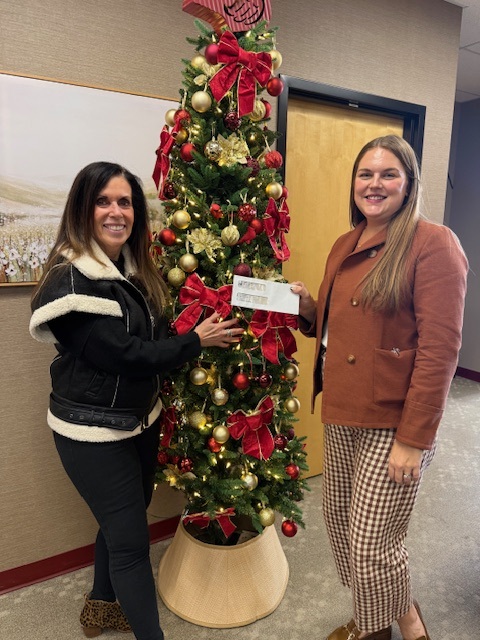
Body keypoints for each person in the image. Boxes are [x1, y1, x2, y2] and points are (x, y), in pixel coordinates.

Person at [29, 161, 243, 640]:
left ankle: (101, 607)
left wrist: (198, 321)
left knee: (119, 521)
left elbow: (152, 335)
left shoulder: (131, 269)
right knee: (130, 544)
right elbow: (124, 355)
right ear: (82, 209)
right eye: (103, 201)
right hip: (92, 431)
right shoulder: (70, 281)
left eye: (124, 202)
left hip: (138, 421)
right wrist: (197, 342)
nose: (116, 212)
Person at [291, 135, 468, 640]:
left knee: (372, 542)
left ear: (409, 184)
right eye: (365, 174)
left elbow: (440, 351)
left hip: (395, 419)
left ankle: (375, 631)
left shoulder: (433, 244)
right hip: (343, 407)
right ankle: (405, 616)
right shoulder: (344, 244)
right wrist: (308, 309)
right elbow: (342, 328)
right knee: (341, 523)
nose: (375, 184)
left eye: (389, 174)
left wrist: (414, 439)